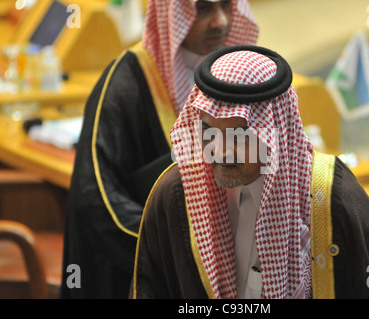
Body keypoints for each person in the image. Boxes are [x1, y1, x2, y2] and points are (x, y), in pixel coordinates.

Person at [131, 45, 369, 299]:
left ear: (275, 132)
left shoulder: (333, 201)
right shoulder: (175, 196)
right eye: (208, 132)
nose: (219, 151)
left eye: (238, 135)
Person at [61, 0, 259, 299]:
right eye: (203, 8)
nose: (220, 21)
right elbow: (96, 202)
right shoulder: (123, 86)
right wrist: (179, 248)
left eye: (227, 6)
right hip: (135, 276)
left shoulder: (233, 80)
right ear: (171, 15)